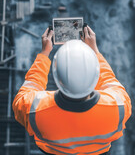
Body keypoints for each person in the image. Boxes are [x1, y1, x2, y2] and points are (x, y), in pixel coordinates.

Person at [12, 25, 132, 155]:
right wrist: (95, 51)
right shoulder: (119, 106)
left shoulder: (34, 109)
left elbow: (25, 94)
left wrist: (44, 54)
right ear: (95, 76)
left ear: (56, 76)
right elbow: (108, 80)